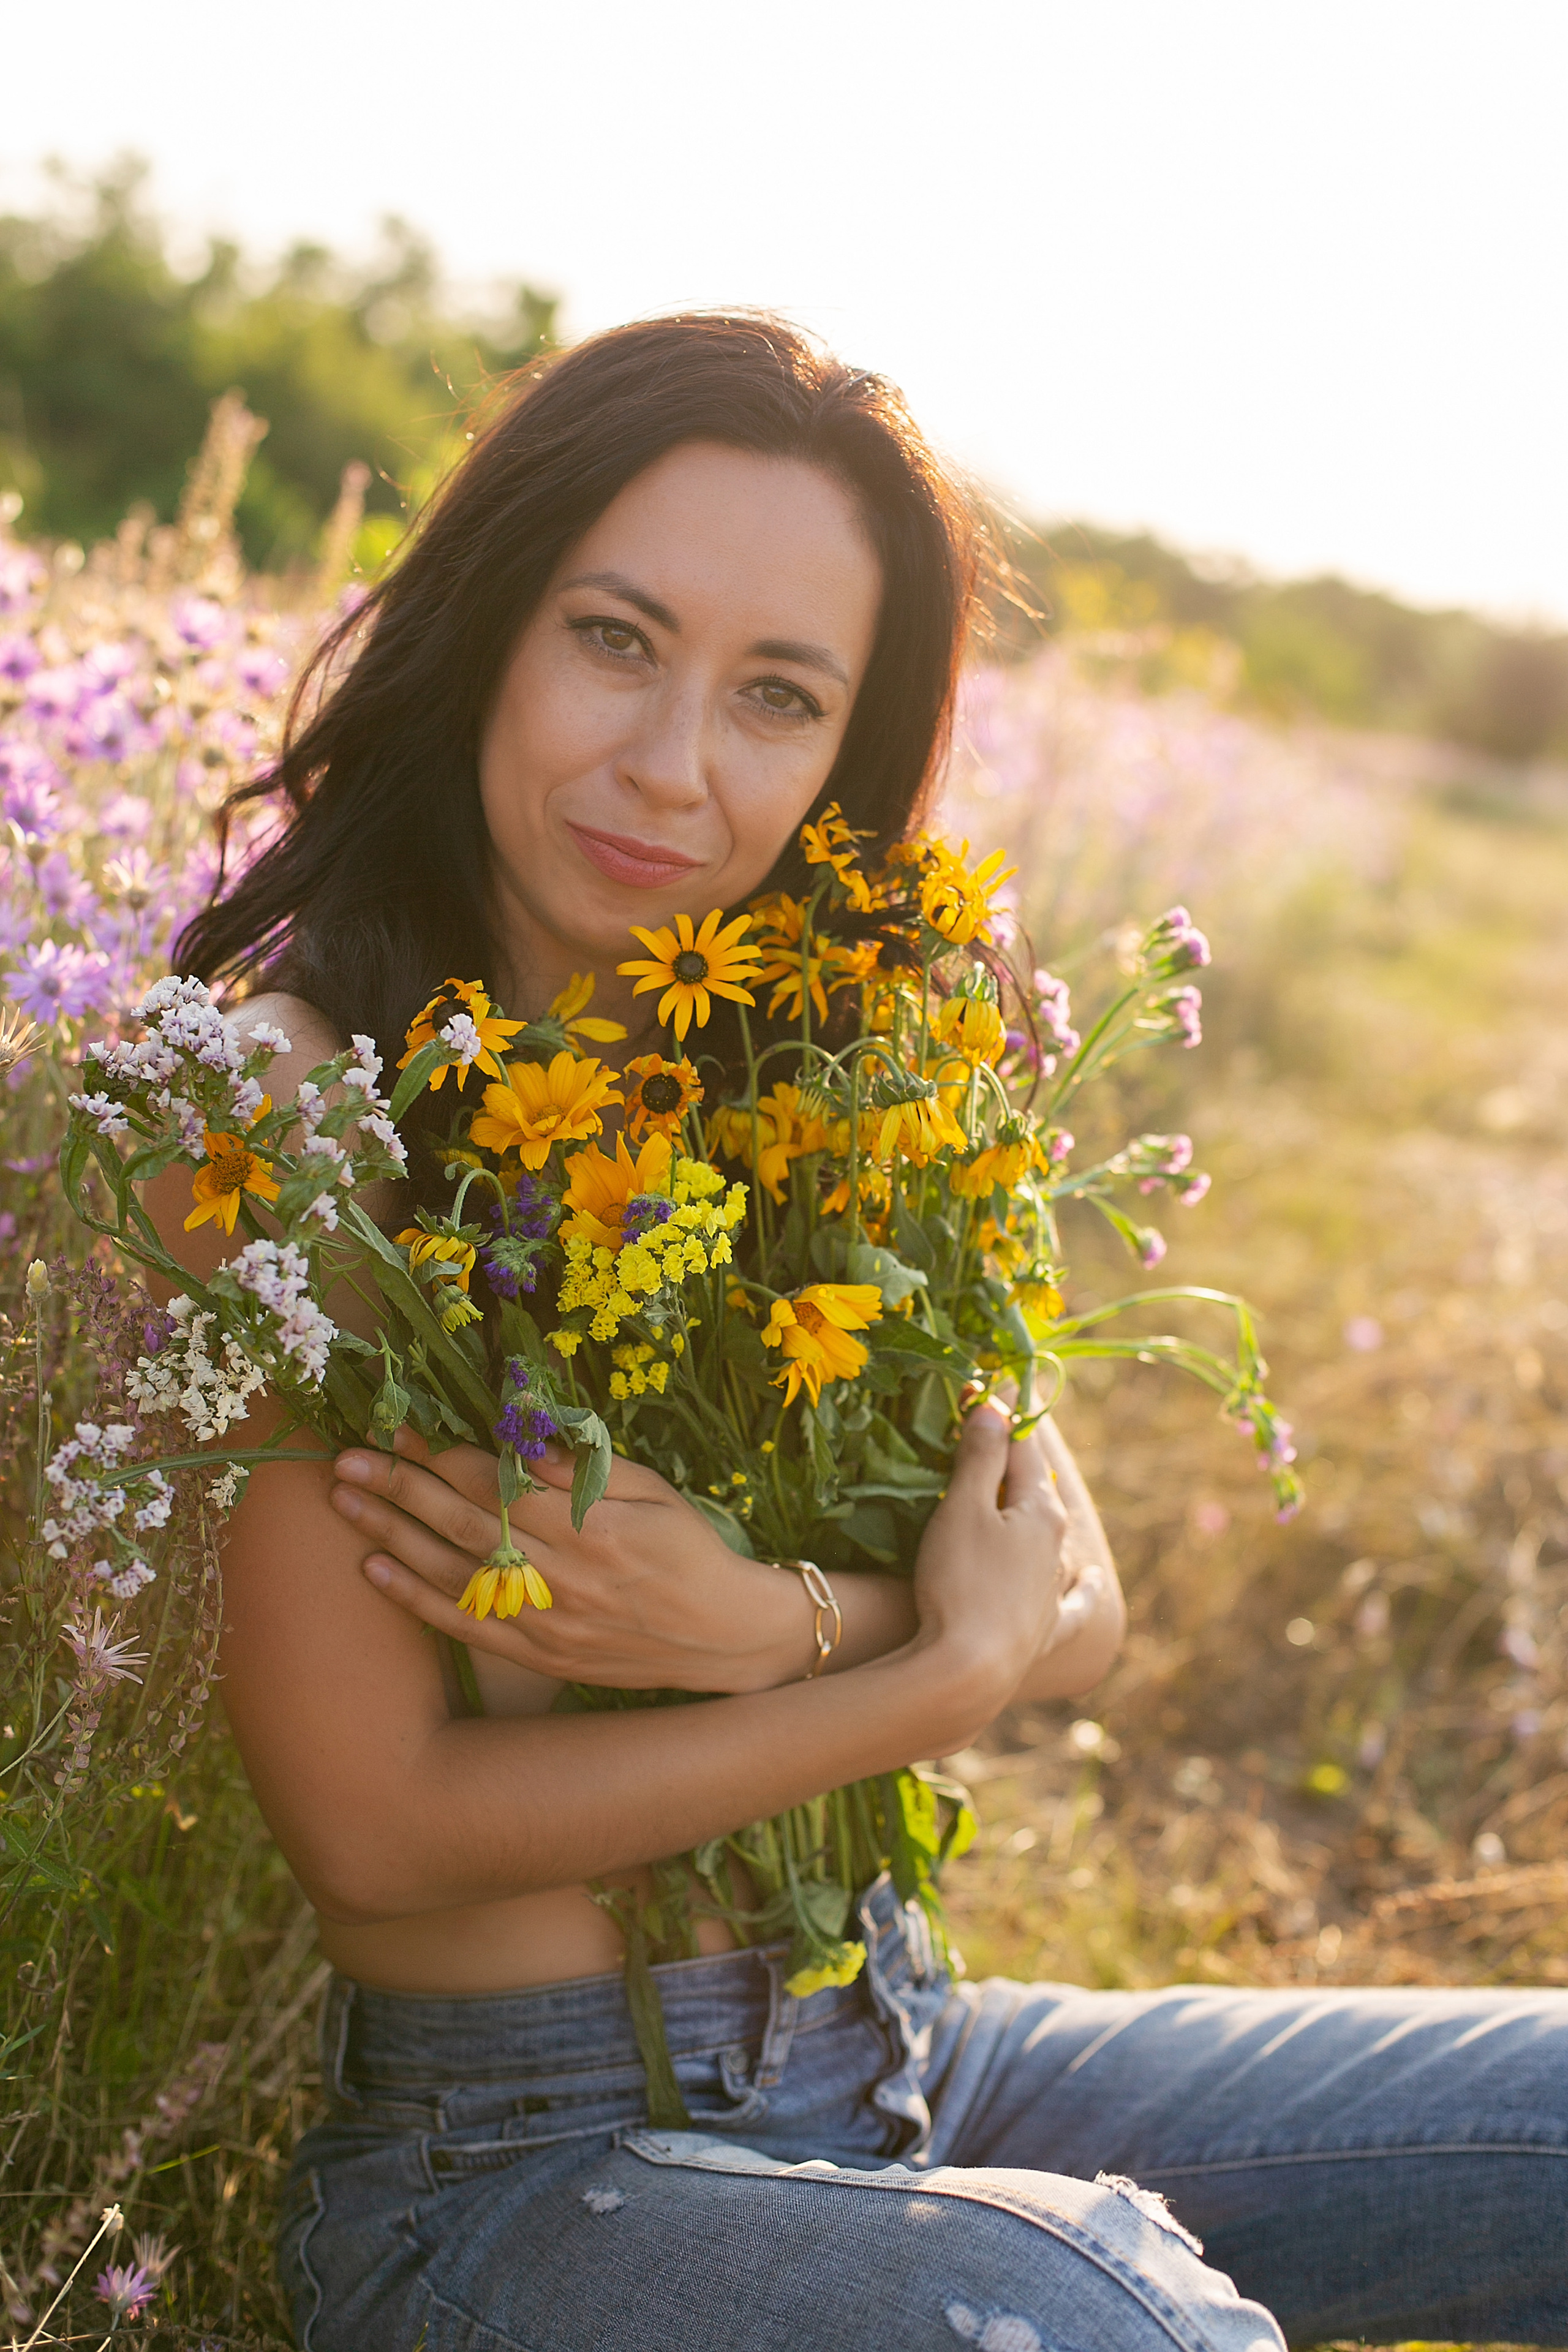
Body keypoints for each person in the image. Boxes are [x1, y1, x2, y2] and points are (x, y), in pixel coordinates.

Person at [158, 317, 1568, 2352]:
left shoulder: (843, 1060)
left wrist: (761, 1627)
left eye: (778, 698)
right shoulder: (298, 1116)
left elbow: (1066, 1603)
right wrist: (919, 1679)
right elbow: (377, 1831)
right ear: (489, 622)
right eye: (617, 640)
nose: (674, 767)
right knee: (1111, 2333)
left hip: (905, 2043)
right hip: (527, 2182)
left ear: (843, 754)